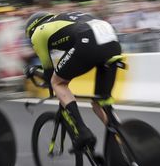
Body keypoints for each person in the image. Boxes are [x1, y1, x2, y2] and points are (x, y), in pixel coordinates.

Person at [24, 11, 122, 149]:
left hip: (88, 39)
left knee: (57, 83)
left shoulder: (37, 33)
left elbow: (49, 72)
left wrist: (34, 71)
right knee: (99, 103)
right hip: (111, 38)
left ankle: (83, 131)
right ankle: (123, 136)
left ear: (31, 29)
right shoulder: (62, 19)